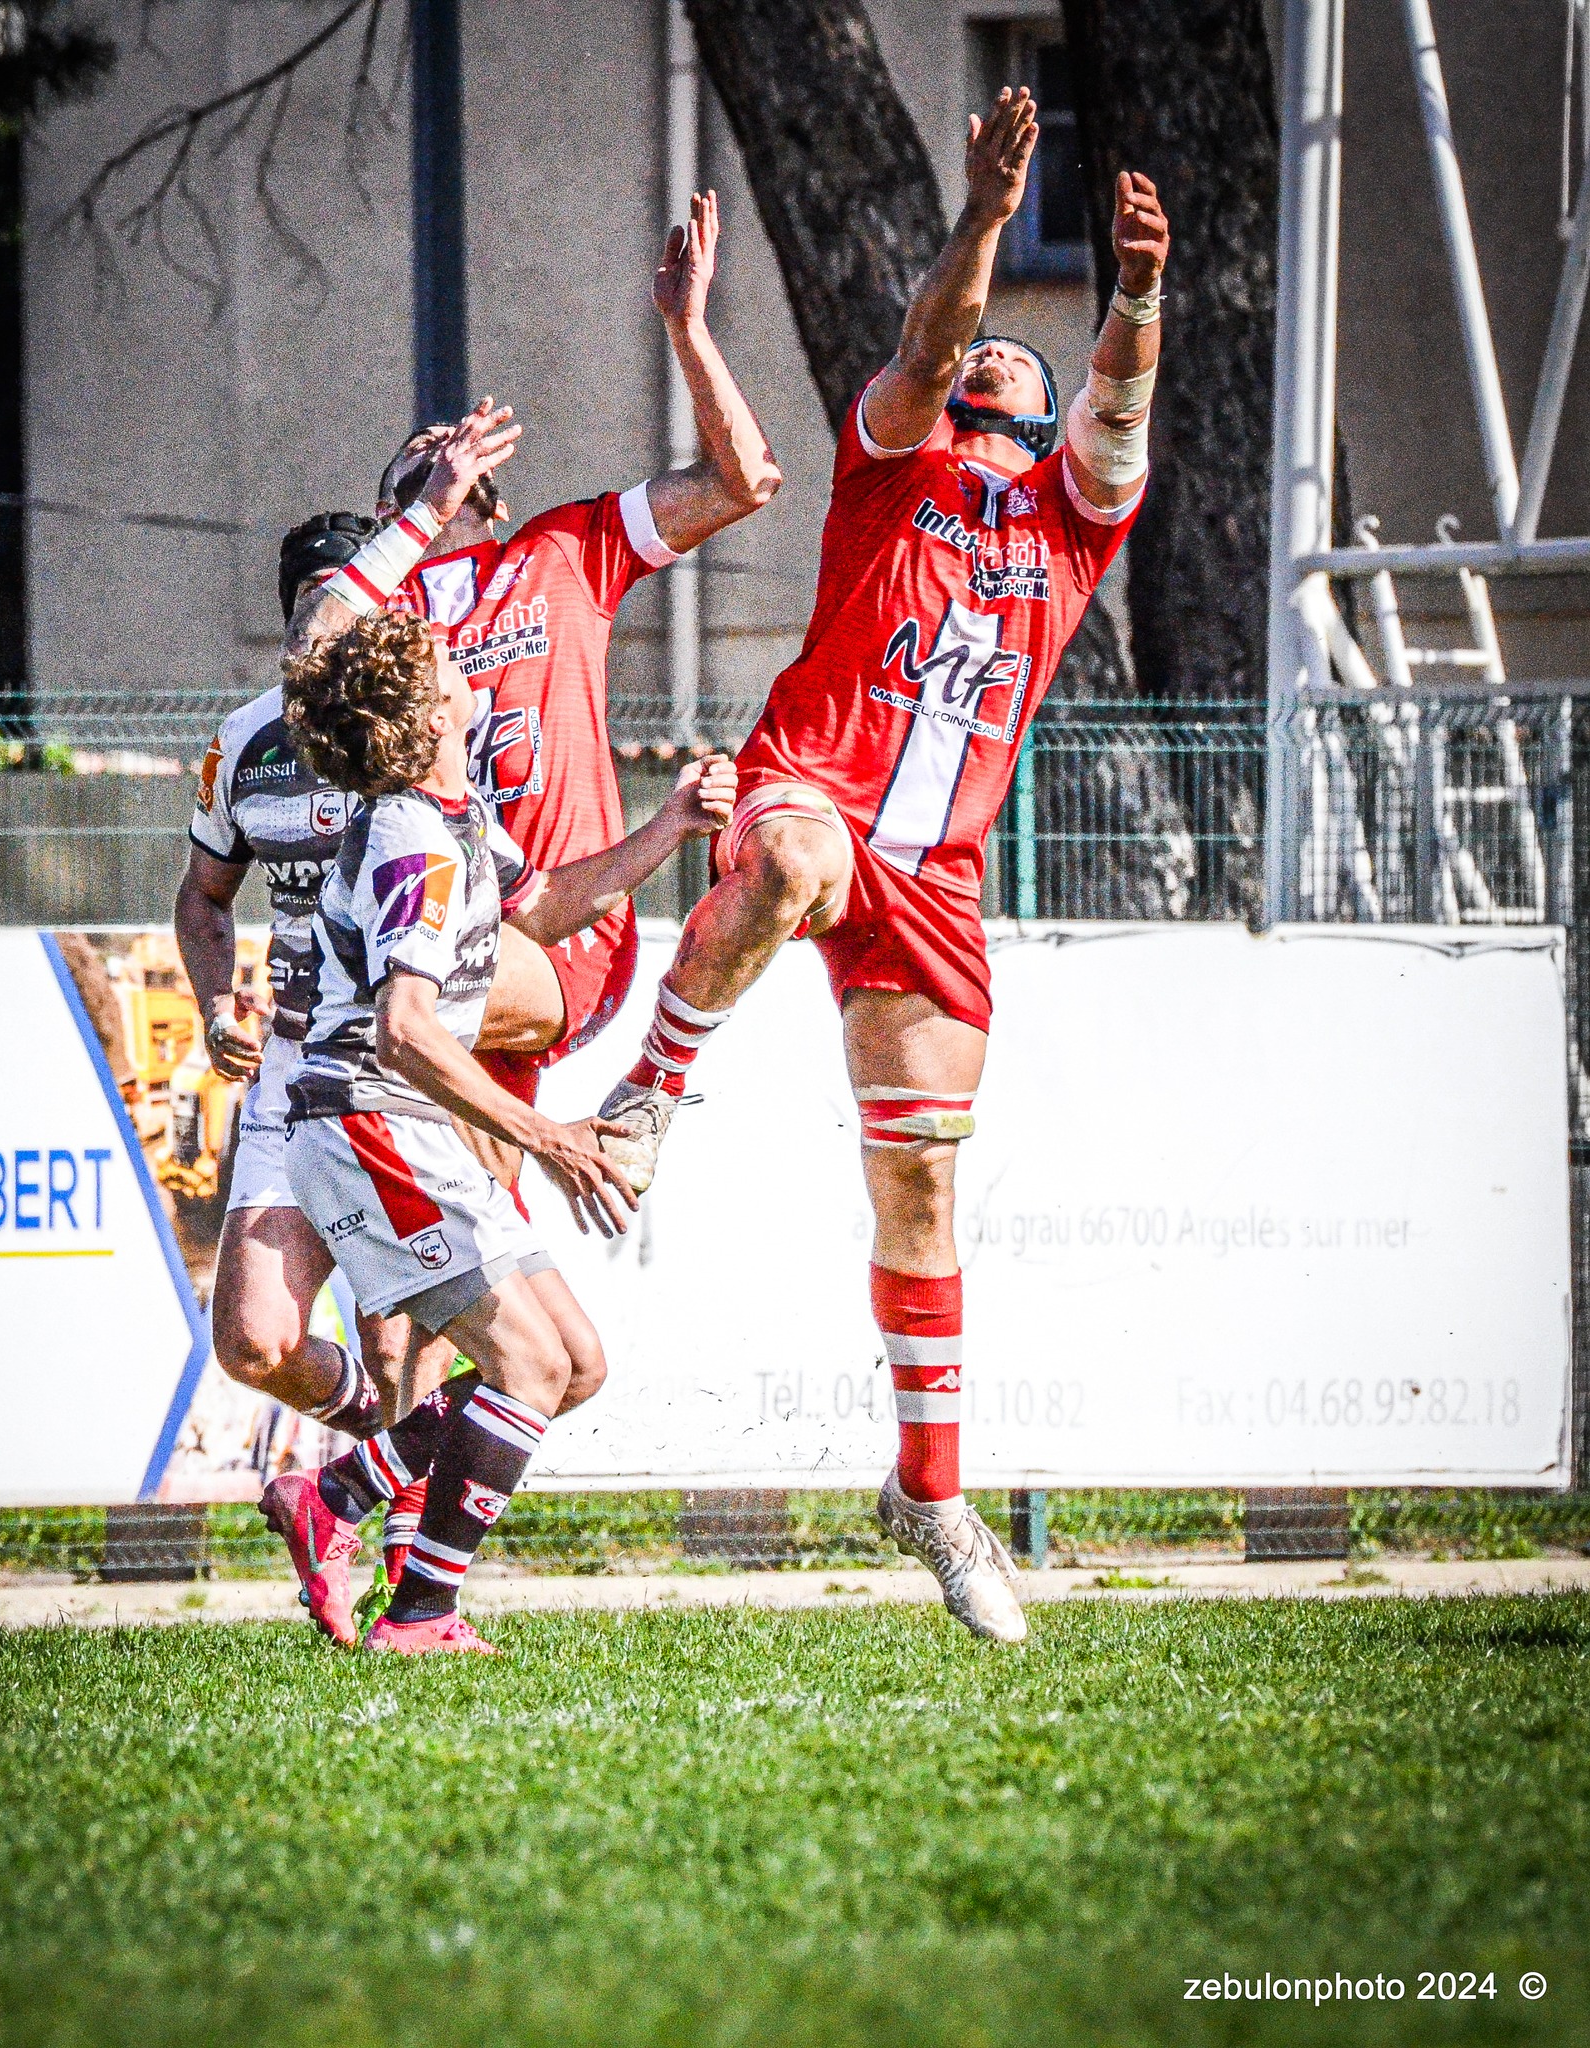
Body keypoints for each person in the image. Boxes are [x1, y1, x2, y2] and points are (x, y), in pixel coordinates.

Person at [593, 92, 1171, 1643]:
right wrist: (986, 215)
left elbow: (1117, 412)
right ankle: (650, 1089)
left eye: (1010, 369)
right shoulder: (892, 468)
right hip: (818, 790)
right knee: (782, 860)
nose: (987, 365)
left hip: (939, 882)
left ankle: (929, 1493)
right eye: (982, 356)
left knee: (919, 1193)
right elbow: (920, 349)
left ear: (1034, 420)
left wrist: (1136, 294)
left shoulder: (1068, 529)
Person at [294, 188, 781, 1574]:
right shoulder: (390, 605)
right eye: (427, 473)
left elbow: (747, 478)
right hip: (478, 946)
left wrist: (689, 330)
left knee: (444, 1230)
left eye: (462, 468)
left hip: (540, 927)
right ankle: (384, 1526)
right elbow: (315, 639)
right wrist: (410, 519)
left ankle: (369, 1511)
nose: (456, 478)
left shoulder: (563, 551)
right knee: (466, 1292)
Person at [264, 608, 737, 1650]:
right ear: (431, 710)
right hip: (367, 1123)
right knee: (524, 1365)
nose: (465, 663)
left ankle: (337, 1494)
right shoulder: (412, 838)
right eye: (445, 663)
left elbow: (541, 906)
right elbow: (401, 1027)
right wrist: (547, 1134)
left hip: (408, 1121)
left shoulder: (456, 809)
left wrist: (668, 827)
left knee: (571, 1361)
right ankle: (422, 1610)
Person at [175, 404, 522, 1439]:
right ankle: (368, 1437)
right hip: (295, 1057)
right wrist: (212, 1002)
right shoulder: (242, 743)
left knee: (405, 1327)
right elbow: (203, 894)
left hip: (399, 1058)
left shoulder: (417, 736)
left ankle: (407, 1565)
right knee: (252, 1341)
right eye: (320, 610)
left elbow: (509, 886)